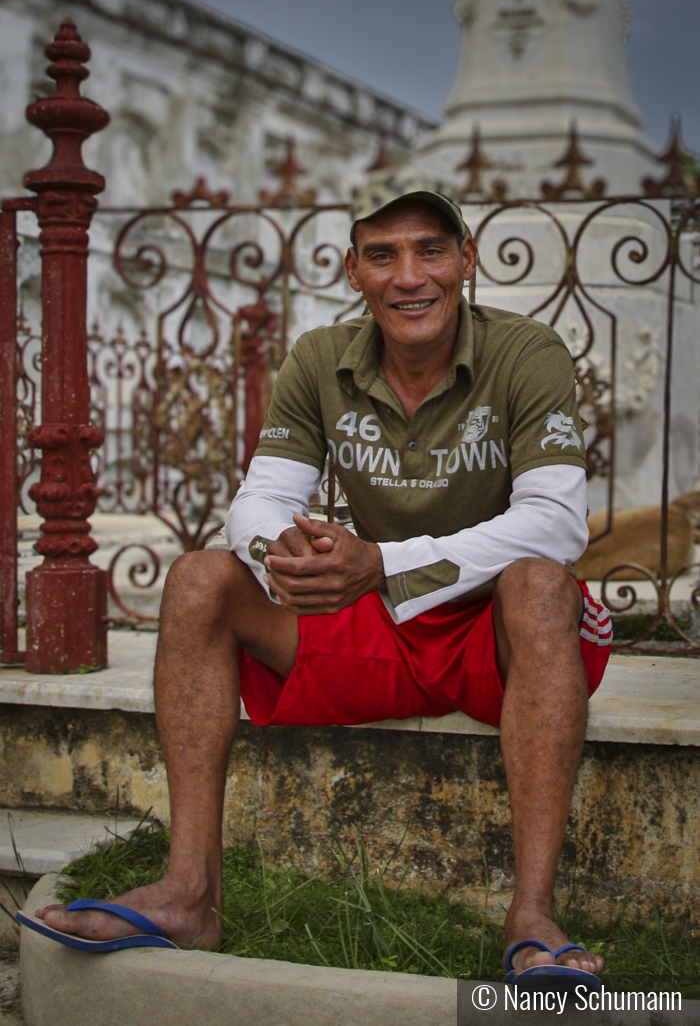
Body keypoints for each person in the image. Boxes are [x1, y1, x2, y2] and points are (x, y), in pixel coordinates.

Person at [31, 169, 612, 986]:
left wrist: (380, 564)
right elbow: (262, 498)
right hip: (377, 625)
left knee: (541, 583)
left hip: (498, 634)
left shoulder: (526, 351)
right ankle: (189, 892)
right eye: (382, 255)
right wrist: (284, 559)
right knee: (200, 577)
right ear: (353, 271)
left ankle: (533, 919)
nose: (409, 277)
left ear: (466, 257)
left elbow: (555, 522)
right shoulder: (320, 358)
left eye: (429, 250)